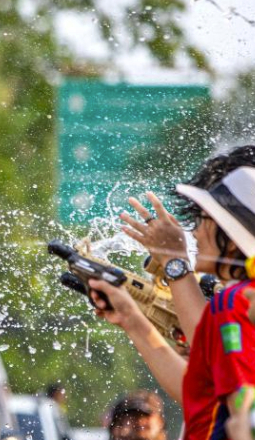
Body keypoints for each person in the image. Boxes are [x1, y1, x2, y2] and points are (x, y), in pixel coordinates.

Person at [89, 166, 255, 440]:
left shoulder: (236, 300)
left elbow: (209, 357)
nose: (195, 231)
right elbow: (198, 391)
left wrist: (174, 261)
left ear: (232, 238)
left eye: (204, 219)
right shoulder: (235, 299)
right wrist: (131, 318)